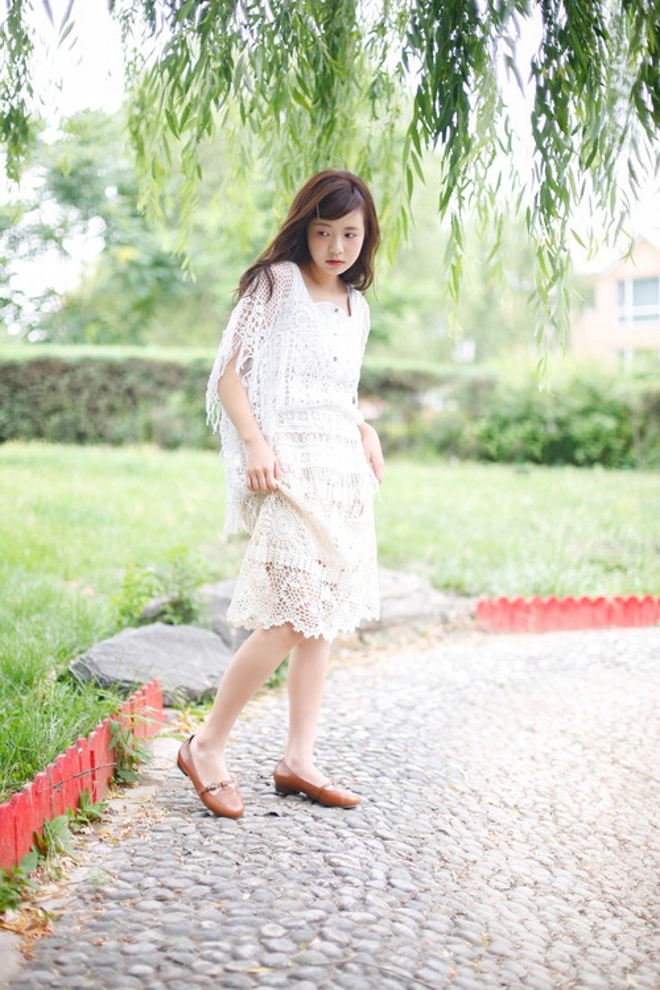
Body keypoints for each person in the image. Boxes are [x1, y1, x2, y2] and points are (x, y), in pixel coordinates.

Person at [177, 170, 384, 819]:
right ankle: (206, 745)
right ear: (304, 229)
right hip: (286, 468)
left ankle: (298, 759)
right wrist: (256, 443)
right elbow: (229, 375)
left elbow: (336, 391)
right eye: (323, 231)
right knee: (292, 615)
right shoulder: (276, 283)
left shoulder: (357, 307)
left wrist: (364, 429)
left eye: (349, 233)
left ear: (366, 237)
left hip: (340, 473)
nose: (336, 246)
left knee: (320, 620)